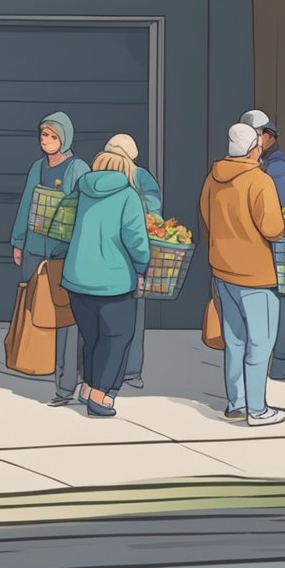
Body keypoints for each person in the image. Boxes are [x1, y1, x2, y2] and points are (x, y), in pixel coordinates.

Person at [199, 123, 285, 426]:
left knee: (235, 341)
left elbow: (206, 216)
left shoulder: (213, 178)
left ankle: (236, 403)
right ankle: (258, 410)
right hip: (256, 275)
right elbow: (273, 229)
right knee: (260, 343)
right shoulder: (259, 181)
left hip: (223, 271)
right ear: (256, 148)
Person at [61, 151, 151, 418]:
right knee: (116, 337)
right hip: (114, 280)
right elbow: (136, 240)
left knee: (92, 338)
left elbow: (64, 226)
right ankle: (100, 396)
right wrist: (140, 267)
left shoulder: (81, 191)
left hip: (77, 277)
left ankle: (88, 387)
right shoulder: (127, 196)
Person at [10, 112, 89, 405]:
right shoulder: (37, 167)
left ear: (64, 138)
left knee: (65, 317)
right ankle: (40, 363)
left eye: (52, 136)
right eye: (43, 135)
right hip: (34, 249)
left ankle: (66, 383)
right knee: (35, 311)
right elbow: (26, 204)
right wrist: (19, 241)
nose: (46, 141)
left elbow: (83, 212)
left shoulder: (78, 168)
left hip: (62, 253)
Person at [89, 134, 160, 392]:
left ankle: (101, 372)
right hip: (127, 256)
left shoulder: (91, 177)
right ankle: (129, 370)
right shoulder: (138, 177)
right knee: (128, 318)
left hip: (97, 257)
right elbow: (153, 210)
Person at [240, 109, 285, 382]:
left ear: (267, 137)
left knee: (279, 300)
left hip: (281, 242)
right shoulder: (264, 164)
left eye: (254, 136)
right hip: (268, 241)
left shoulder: (278, 166)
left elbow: (279, 209)